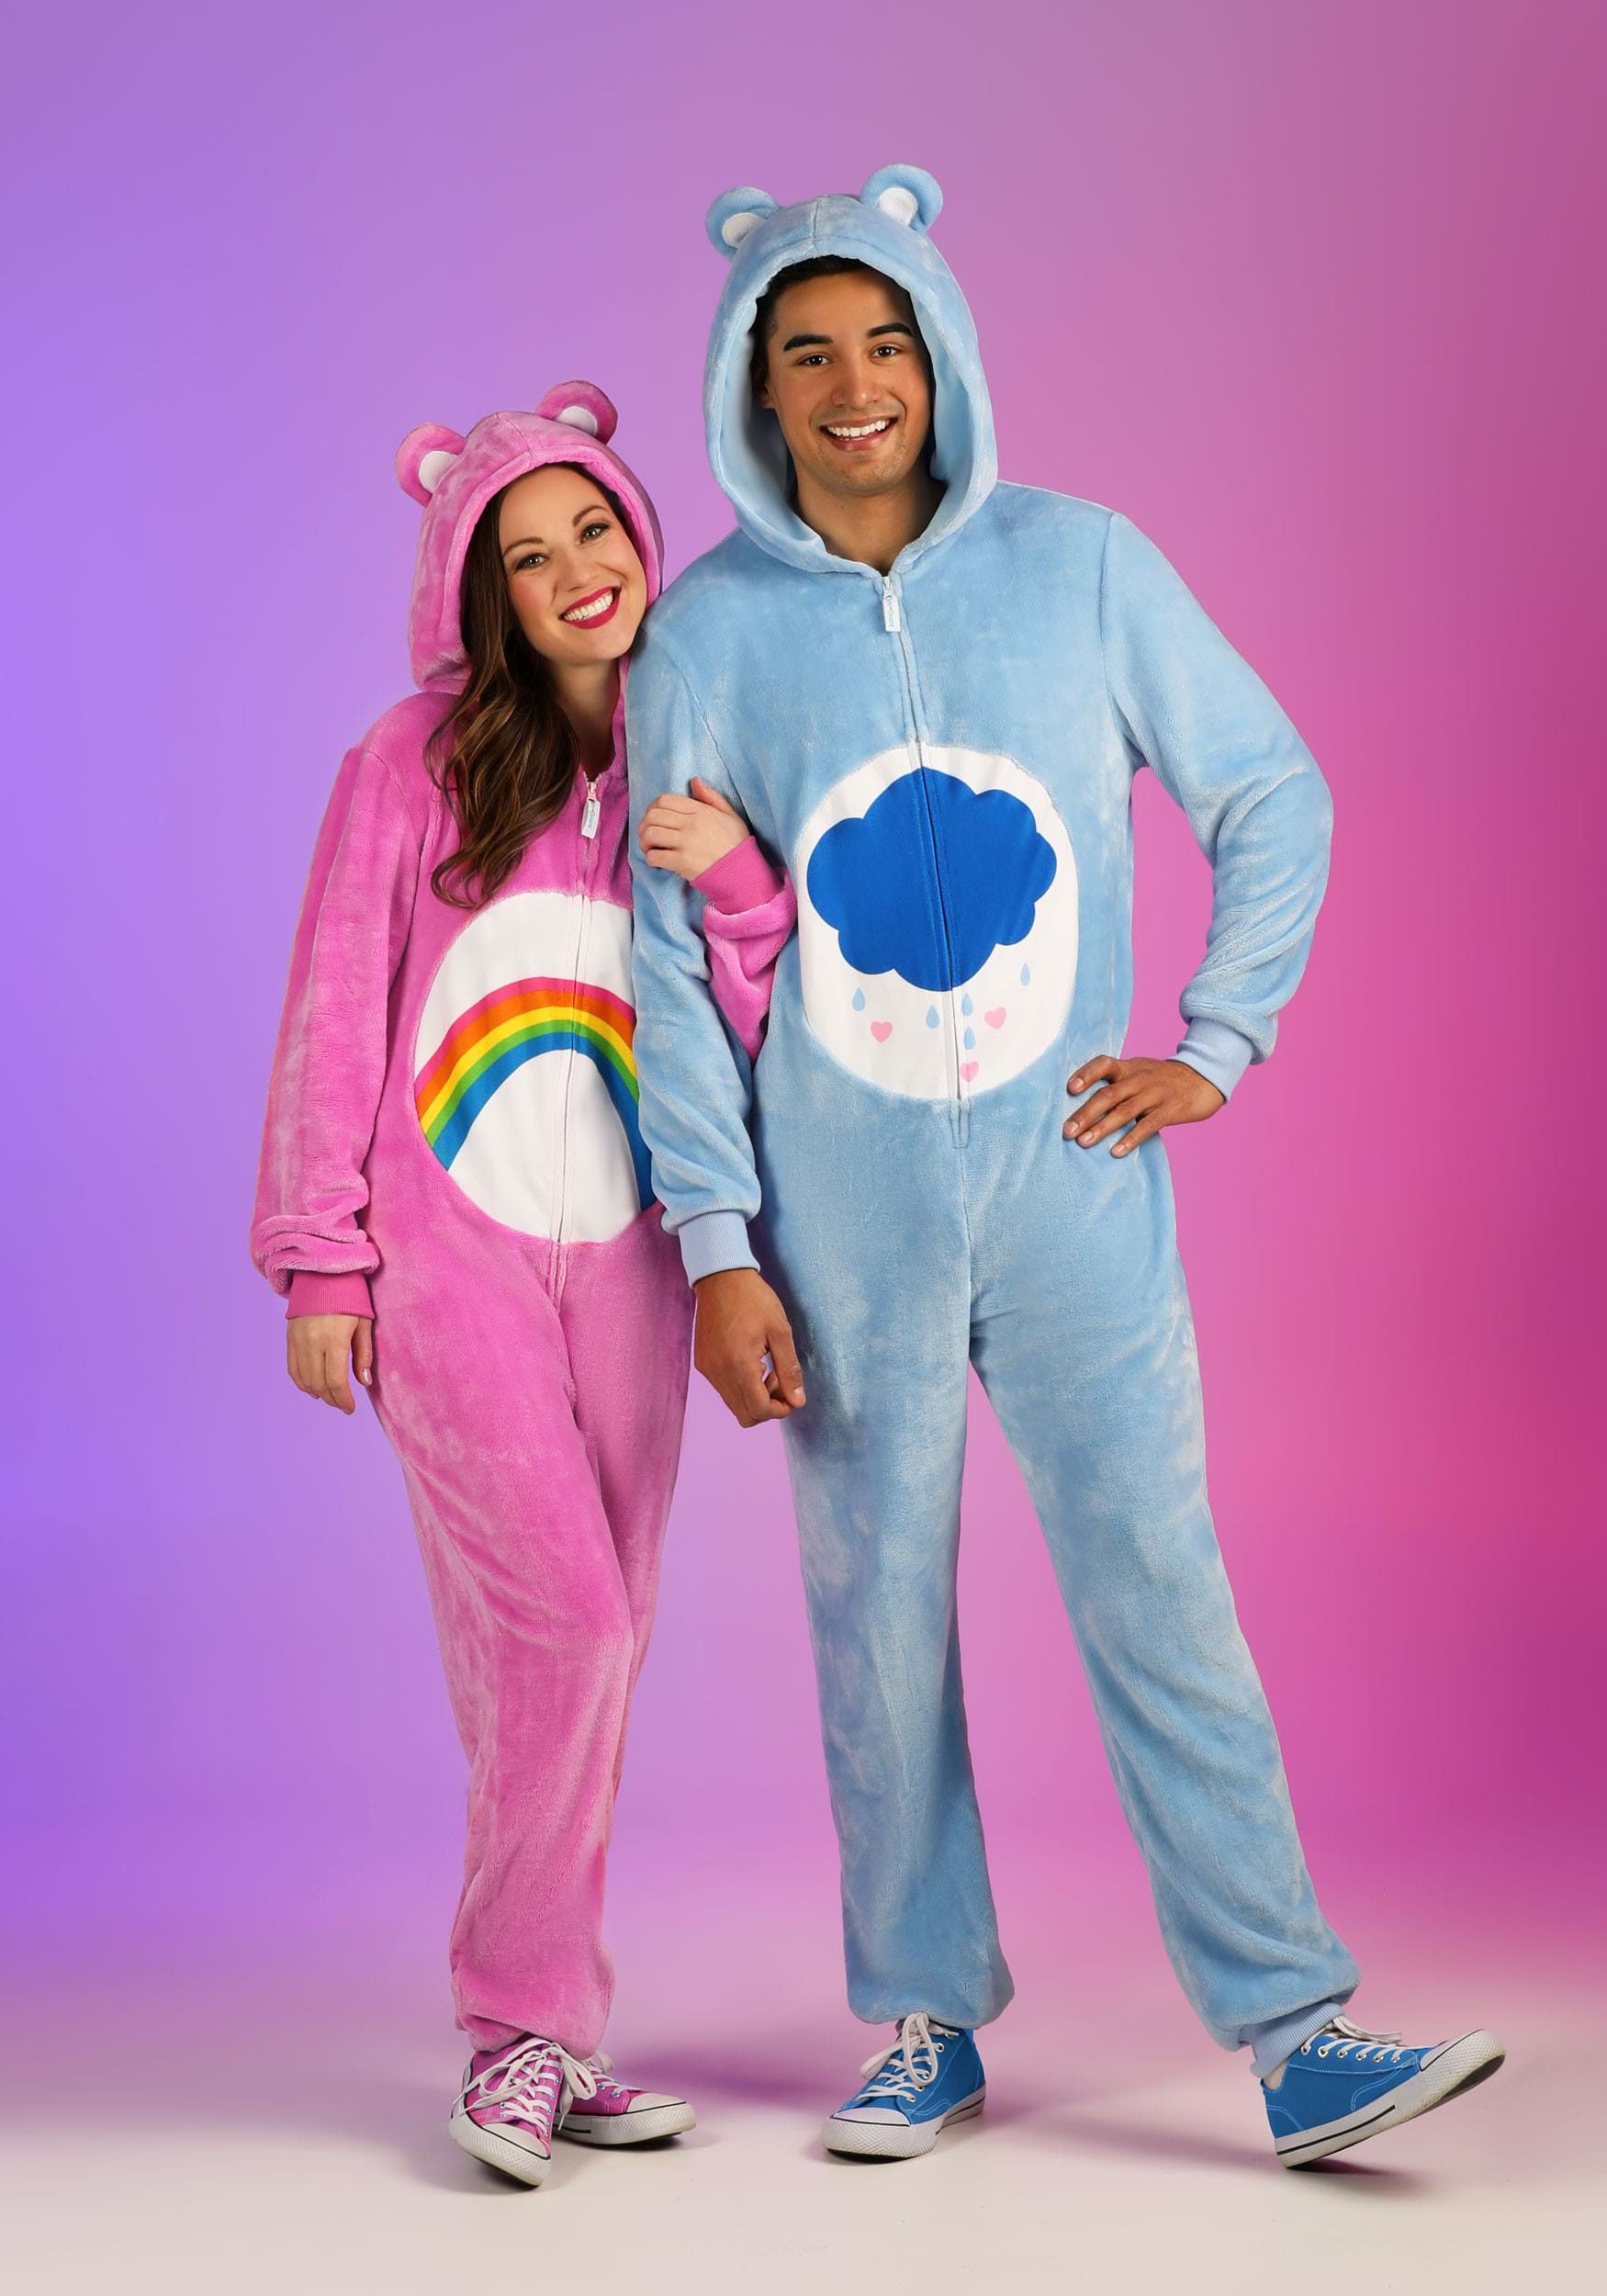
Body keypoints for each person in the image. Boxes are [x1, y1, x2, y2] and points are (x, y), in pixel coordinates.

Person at [626, 170, 1502, 2168]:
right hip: (830, 1220)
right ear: (753, 388)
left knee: (1156, 1583)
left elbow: (1268, 789)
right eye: (805, 354)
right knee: (875, 1622)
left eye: (884, 341)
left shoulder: (1080, 564)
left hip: (1069, 1188)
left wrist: (1213, 1041)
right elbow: (669, 961)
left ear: (939, 353)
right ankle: (923, 2020)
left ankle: (1295, 2030)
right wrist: (715, 1243)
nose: (854, 385)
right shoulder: (707, 636)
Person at [251, 385, 794, 2188]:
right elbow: (335, 1005)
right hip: (446, 1262)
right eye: (527, 553)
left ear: (641, 535)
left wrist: (739, 885)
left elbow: (761, 1023)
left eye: (594, 530)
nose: (575, 572)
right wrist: (321, 1256)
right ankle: (516, 2026)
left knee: (589, 1650)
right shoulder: (407, 761)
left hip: (637, 1260)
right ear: (477, 591)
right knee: (570, 1629)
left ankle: (553, 2035)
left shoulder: (692, 748)